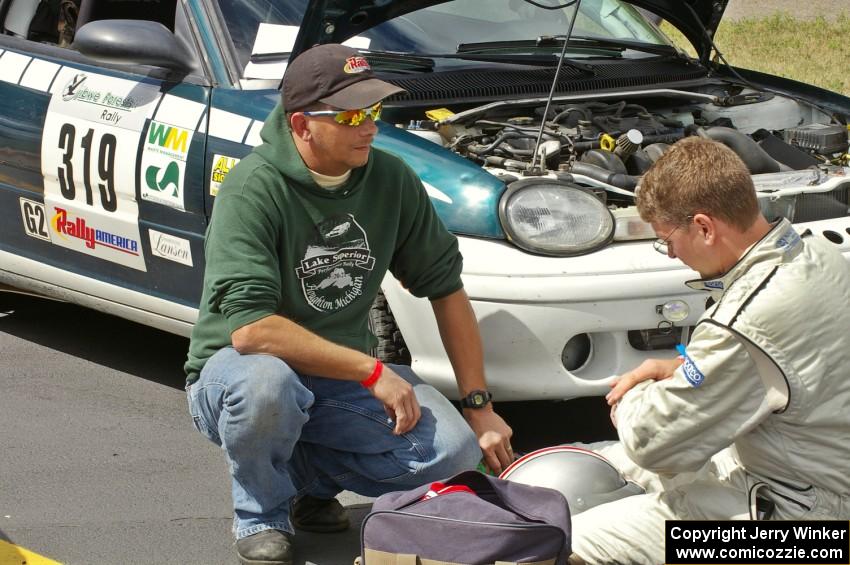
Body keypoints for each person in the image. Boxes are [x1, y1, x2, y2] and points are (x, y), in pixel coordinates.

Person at [184, 44, 513, 565]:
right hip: (238, 375)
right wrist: (371, 370)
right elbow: (251, 331)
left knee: (452, 453)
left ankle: (307, 487)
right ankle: (261, 514)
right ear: (302, 124)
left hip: (337, 380)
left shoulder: (391, 178)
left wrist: (481, 407)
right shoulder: (253, 188)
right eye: (351, 115)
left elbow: (445, 289)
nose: (369, 126)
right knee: (269, 385)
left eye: (374, 111)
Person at [568, 136, 850, 564]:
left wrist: (630, 398)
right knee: (599, 460)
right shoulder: (818, 256)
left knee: (567, 537)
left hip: (809, 534)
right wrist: (681, 369)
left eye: (668, 240)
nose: (672, 254)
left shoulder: (747, 319)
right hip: (811, 481)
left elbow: (653, 442)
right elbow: (778, 365)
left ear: (703, 226)